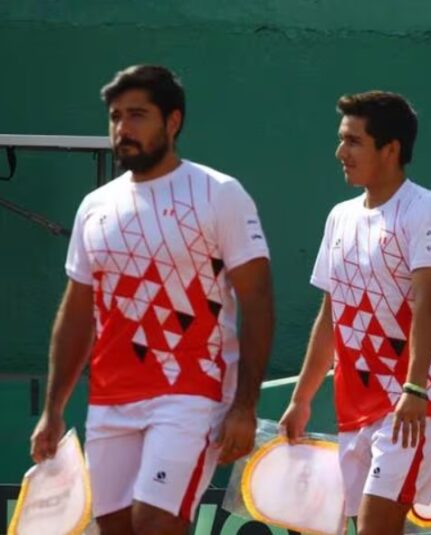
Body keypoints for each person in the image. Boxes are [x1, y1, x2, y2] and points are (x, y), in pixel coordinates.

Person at [29, 65, 274, 534]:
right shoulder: (95, 207)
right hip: (111, 397)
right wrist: (53, 408)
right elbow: (78, 311)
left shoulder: (218, 193)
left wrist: (245, 404)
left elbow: (258, 299)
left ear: (173, 122)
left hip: (192, 393)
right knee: (116, 529)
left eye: (138, 115)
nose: (123, 128)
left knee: (156, 524)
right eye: (116, 117)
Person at [277, 91, 431, 534]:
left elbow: (428, 305)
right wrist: (301, 400)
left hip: (414, 405)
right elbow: (330, 316)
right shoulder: (339, 217)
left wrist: (414, 389)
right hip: (352, 408)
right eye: (342, 140)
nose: (340, 152)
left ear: (391, 149)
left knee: (376, 528)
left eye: (353, 141)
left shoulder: (427, 212)